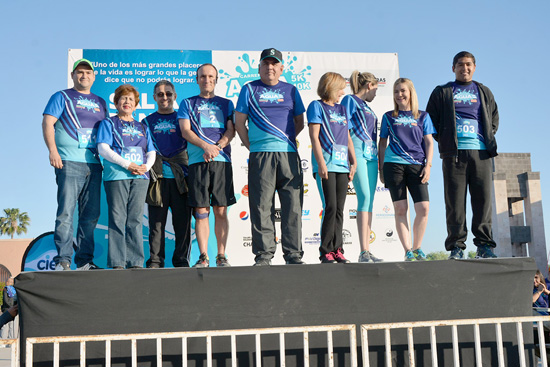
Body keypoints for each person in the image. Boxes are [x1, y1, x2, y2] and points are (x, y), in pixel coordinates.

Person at [235, 48, 306, 266]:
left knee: (292, 206)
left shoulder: (292, 90)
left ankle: (293, 254)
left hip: (288, 155)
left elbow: (299, 122)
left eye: (274, 64)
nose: (270, 67)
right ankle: (264, 255)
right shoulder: (249, 89)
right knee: (260, 206)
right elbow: (239, 123)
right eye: (266, 64)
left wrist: (284, 141)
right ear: (259, 67)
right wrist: (253, 147)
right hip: (260, 156)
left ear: (281, 68)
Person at [426, 51, 499, 259]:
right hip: (453, 156)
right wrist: (447, 140)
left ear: (474, 67)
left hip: (481, 154)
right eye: (460, 65)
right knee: (455, 202)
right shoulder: (442, 92)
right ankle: (456, 247)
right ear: (453, 68)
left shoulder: (484, 91)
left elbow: (494, 119)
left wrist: (484, 139)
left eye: (468, 65)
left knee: (483, 202)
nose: (464, 68)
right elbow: (431, 122)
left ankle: (484, 246)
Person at [42, 59, 108, 271]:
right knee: (66, 213)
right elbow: (47, 122)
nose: (84, 76)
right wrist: (53, 150)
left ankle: (85, 261)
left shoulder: (101, 102)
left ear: (94, 77)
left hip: (94, 164)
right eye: (80, 72)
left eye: (88, 73)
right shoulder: (61, 96)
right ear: (73, 75)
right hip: (68, 161)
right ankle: (63, 260)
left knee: (90, 216)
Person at [179, 64, 236, 268]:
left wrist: (217, 146)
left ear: (216, 79)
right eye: (203, 76)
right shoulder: (187, 103)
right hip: (197, 162)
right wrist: (205, 146)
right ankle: (203, 256)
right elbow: (185, 131)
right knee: (201, 211)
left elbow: (231, 131)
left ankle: (221, 255)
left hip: (221, 162)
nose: (207, 80)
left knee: (221, 210)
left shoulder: (227, 104)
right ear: (197, 79)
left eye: (211, 76)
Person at [97, 84, 156, 269]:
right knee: (117, 218)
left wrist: (145, 166)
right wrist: (127, 164)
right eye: (123, 98)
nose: (127, 102)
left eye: (131, 99)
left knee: (135, 219)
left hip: (140, 177)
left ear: (136, 105)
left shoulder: (142, 126)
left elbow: (152, 151)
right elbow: (103, 148)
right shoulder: (108, 123)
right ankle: (117, 263)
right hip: (117, 176)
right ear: (116, 103)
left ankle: (136, 262)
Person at [379, 78, 435, 261]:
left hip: (417, 165)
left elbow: (428, 142)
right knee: (401, 208)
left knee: (424, 208)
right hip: (393, 165)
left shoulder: (423, 116)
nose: (399, 94)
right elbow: (382, 142)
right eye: (396, 91)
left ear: (411, 92)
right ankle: (408, 250)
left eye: (403, 90)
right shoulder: (388, 116)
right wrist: (381, 167)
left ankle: (417, 248)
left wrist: (428, 166)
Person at [307, 72, 357, 264]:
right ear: (330, 87)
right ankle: (325, 250)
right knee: (330, 206)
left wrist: (354, 161)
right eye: (340, 88)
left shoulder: (343, 110)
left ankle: (338, 249)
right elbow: (314, 136)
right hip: (326, 164)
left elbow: (348, 137)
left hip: (343, 165)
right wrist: (320, 163)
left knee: (340, 209)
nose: (343, 92)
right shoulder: (316, 106)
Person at [142, 80, 192, 268]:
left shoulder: (184, 118)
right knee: (156, 224)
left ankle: (181, 261)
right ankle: (155, 261)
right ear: (154, 97)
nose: (165, 97)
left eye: (168, 94)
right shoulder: (146, 122)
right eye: (160, 94)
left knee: (183, 224)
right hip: (157, 179)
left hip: (182, 179)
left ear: (175, 96)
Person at [341, 71, 382, 263]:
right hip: (357, 152)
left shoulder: (367, 107)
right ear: (369, 86)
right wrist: (351, 157)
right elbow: (343, 128)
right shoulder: (350, 101)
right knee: (364, 197)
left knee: (370, 200)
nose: (375, 94)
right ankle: (363, 251)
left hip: (371, 155)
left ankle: (367, 249)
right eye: (375, 90)